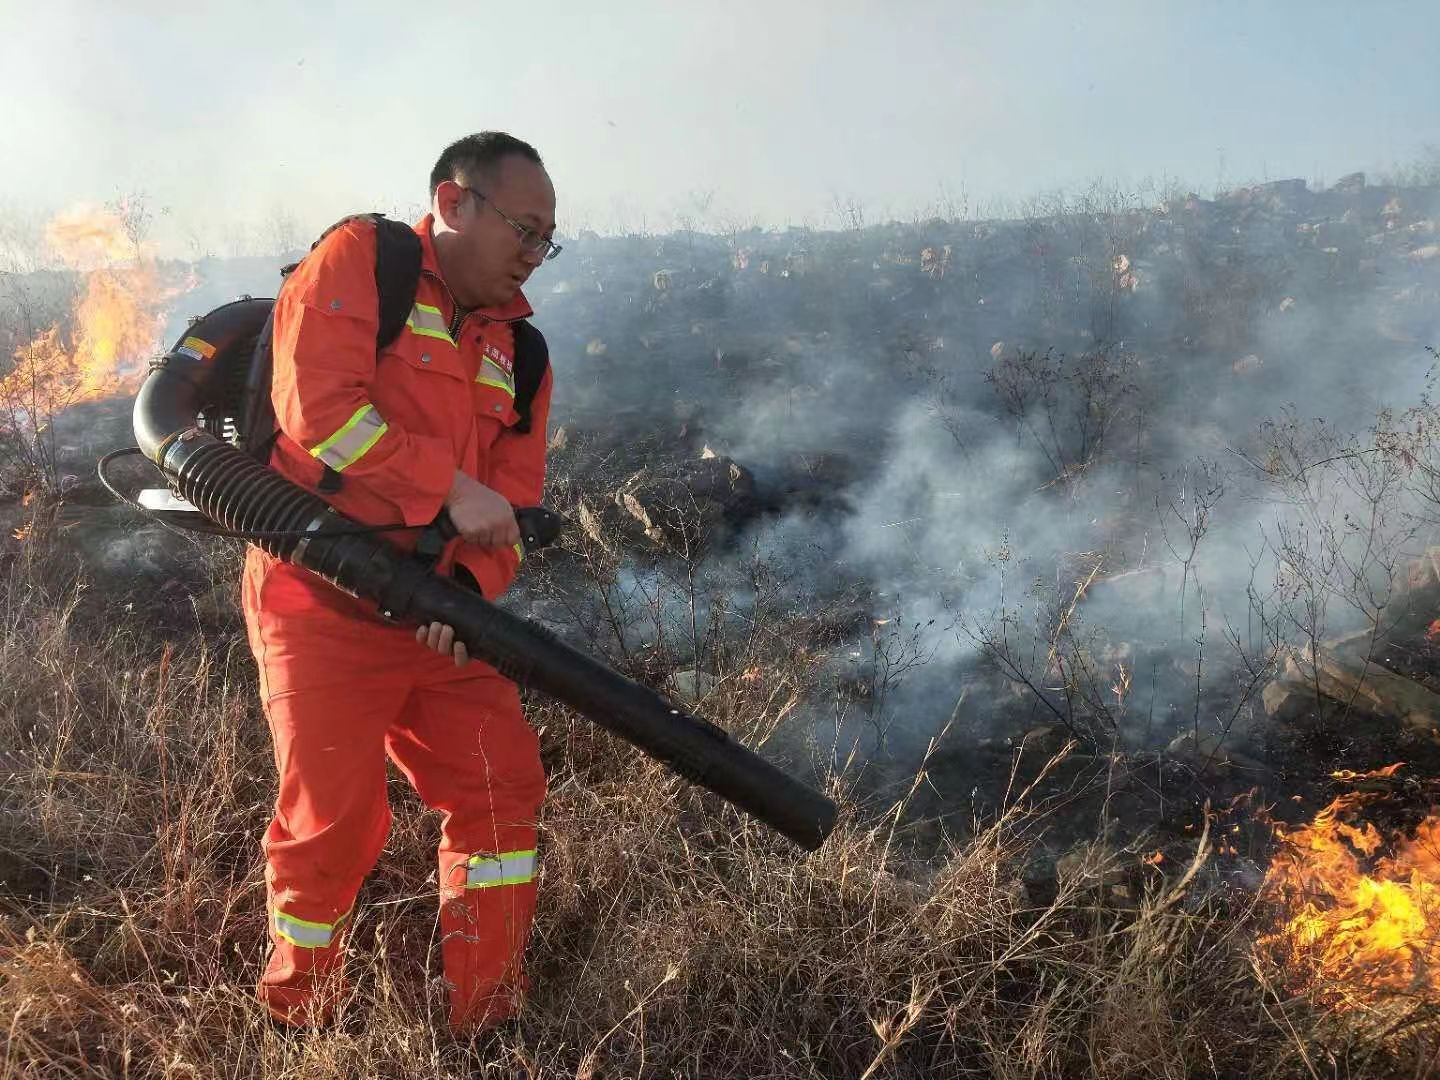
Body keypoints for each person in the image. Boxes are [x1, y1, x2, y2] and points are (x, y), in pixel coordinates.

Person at [240, 131, 559, 1032]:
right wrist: (447, 487)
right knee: (334, 823)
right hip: (319, 602)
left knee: (502, 795)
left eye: (547, 240)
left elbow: (513, 511)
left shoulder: (521, 355)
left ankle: (486, 1021)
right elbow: (320, 419)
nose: (534, 256)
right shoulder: (361, 262)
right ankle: (299, 1022)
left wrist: (470, 603)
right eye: (524, 230)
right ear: (454, 204)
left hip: (439, 622)